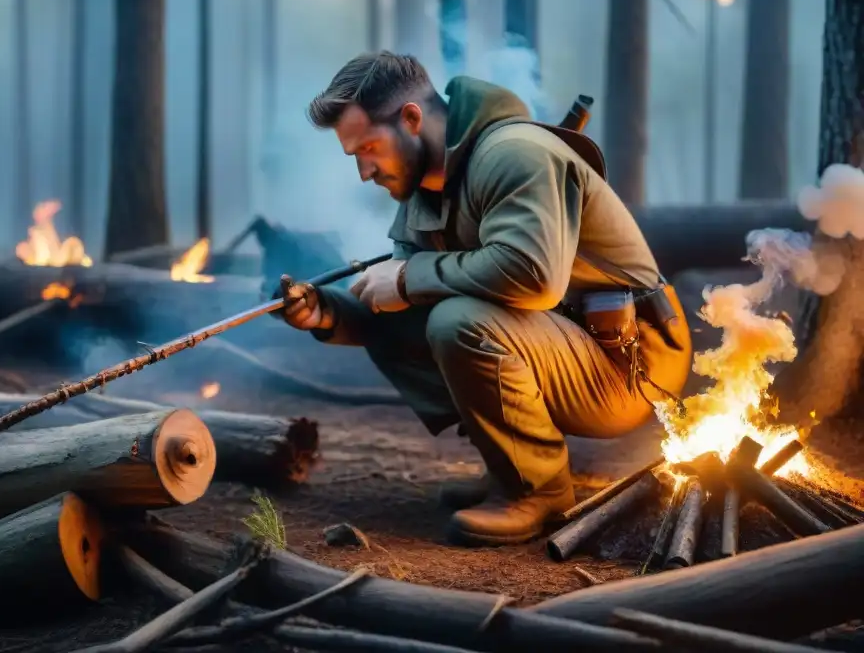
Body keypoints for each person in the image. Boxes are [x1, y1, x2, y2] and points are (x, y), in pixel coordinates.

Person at [278, 52, 693, 547]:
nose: (365, 172)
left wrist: (411, 277)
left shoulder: (514, 154)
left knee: (458, 319)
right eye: (355, 156)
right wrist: (327, 310)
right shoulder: (421, 193)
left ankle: (537, 490)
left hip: (630, 363)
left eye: (369, 148)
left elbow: (533, 276)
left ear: (411, 119)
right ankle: (508, 460)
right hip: (561, 341)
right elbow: (400, 298)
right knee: (424, 304)